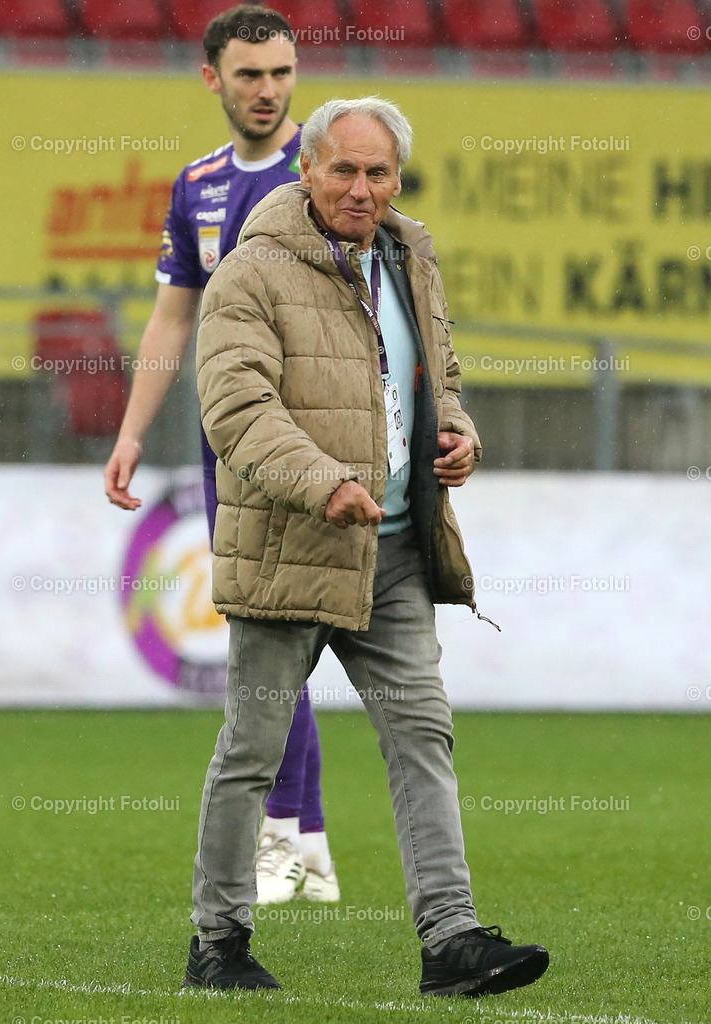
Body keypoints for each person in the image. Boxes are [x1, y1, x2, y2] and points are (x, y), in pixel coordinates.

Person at [186, 96, 550, 997]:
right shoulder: (251, 272)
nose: (361, 188)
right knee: (252, 752)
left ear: (396, 179)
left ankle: (450, 940)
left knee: (423, 734)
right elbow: (236, 407)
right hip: (290, 547)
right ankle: (218, 942)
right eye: (343, 169)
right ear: (305, 170)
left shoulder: (408, 256)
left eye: (377, 172)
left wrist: (457, 432)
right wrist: (324, 482)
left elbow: (440, 376)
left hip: (392, 553)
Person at [103, 5, 338, 904]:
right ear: (213, 79)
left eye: (280, 72)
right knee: (263, 633)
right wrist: (131, 431)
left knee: (284, 636)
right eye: (249, 74)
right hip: (222, 446)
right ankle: (302, 849)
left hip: (311, 439)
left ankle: (288, 840)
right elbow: (173, 317)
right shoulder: (196, 185)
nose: (268, 90)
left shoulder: (325, 174)